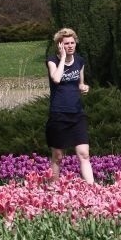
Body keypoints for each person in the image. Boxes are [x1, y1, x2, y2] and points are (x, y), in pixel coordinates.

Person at [45, 27, 94, 184]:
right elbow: (57, 79)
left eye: (73, 43)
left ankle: (92, 189)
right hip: (59, 113)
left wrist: (84, 87)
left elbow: (80, 83)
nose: (71, 46)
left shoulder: (79, 61)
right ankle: (54, 187)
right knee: (58, 155)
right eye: (66, 43)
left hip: (77, 114)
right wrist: (63, 58)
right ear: (60, 45)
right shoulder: (52, 61)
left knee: (84, 153)